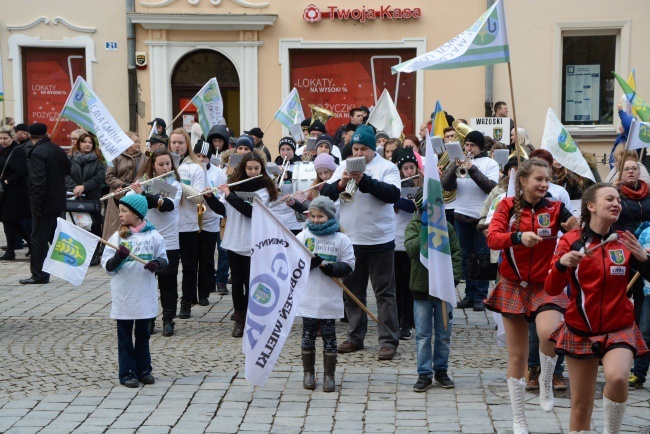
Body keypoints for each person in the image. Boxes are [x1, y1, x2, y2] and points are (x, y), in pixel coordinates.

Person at [545, 183, 649, 434]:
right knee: (581, 406)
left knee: (617, 377)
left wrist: (645, 261)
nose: (616, 203)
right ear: (591, 206)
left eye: (618, 200)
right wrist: (562, 264)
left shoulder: (625, 240)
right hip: (580, 327)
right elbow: (550, 288)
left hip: (619, 326)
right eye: (609, 199)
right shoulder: (570, 241)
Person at [486, 158, 578, 433]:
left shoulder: (556, 208)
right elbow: (492, 237)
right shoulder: (506, 206)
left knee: (549, 332)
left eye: (547, 179)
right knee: (517, 356)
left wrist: (576, 230)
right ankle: (519, 419)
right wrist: (517, 237)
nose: (544, 184)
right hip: (513, 285)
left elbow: (575, 235)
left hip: (545, 284)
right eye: (538, 179)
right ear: (523, 181)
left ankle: (546, 382)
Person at [320, 125, 401, 360]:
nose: (357, 153)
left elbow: (391, 195)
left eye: (362, 149)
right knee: (352, 293)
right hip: (350, 240)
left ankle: (388, 341)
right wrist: (340, 184)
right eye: (354, 148)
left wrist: (363, 180)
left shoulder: (387, 167)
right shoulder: (344, 166)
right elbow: (325, 194)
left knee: (385, 294)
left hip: (380, 240)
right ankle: (355, 337)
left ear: (373, 148)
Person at [102, 194, 168, 388]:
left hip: (144, 295)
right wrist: (118, 257)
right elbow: (108, 267)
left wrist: (157, 264)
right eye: (120, 211)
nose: (120, 215)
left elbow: (164, 259)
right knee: (124, 336)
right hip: (124, 295)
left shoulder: (154, 236)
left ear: (137, 214)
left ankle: (144, 369)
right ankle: (127, 372)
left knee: (143, 335)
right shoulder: (117, 237)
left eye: (124, 211)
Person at [296, 196, 355, 392]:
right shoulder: (304, 236)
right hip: (309, 296)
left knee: (330, 337)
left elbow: (349, 264)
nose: (315, 220)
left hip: (329, 297)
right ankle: (308, 373)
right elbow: (292, 260)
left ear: (329, 216)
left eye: (320, 216)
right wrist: (307, 264)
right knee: (308, 334)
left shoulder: (341, 239)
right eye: (312, 216)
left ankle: (329, 375)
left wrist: (334, 269)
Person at [405, 188, 461, 392]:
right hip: (421, 289)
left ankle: (441, 370)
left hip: (443, 290)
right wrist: (425, 230)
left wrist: (452, 278)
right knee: (423, 334)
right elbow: (411, 250)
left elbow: (455, 253)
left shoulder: (447, 227)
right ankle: (424, 373)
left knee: (444, 333)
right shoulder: (413, 225)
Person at [218, 152, 277, 337]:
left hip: (254, 242)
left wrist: (229, 195)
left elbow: (249, 211)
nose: (252, 172)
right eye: (249, 168)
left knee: (251, 282)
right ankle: (240, 319)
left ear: (262, 169)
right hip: (235, 240)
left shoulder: (264, 189)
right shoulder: (234, 186)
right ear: (243, 168)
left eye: (256, 168)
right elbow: (223, 209)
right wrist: (210, 198)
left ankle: (254, 318)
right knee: (236, 283)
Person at [441, 131, 499, 311]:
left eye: (472, 145)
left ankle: (480, 297)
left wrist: (472, 168)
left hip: (482, 217)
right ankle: (469, 295)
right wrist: (453, 166)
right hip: (461, 213)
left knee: (482, 256)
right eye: (466, 145)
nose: (468, 148)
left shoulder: (490, 163)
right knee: (466, 256)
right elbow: (446, 186)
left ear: (480, 147)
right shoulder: (459, 162)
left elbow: (490, 188)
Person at [131, 148, 182, 337]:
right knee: (147, 283)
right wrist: (131, 194)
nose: (165, 167)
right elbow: (133, 206)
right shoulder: (145, 183)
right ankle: (149, 319)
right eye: (161, 164)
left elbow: (166, 206)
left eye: (168, 164)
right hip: (147, 240)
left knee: (168, 283)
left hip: (169, 241)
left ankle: (169, 320)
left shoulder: (175, 184)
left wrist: (144, 194)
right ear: (153, 165)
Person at [20, 123, 70, 285]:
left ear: (29, 135)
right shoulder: (56, 149)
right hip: (58, 201)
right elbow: (67, 171)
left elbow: (37, 181)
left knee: (38, 239)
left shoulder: (38, 152)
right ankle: (69, 267)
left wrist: (35, 205)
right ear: (46, 133)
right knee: (53, 236)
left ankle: (39, 274)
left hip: (44, 203)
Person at [170, 128, 207, 318]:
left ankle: (187, 300)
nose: (177, 146)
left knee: (189, 265)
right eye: (174, 142)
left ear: (187, 145)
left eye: (180, 143)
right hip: (167, 226)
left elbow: (199, 198)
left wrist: (179, 184)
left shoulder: (195, 167)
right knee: (168, 267)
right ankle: (169, 302)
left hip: (187, 224)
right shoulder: (163, 165)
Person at [612, 155, 650, 327]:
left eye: (634, 168)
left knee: (642, 293)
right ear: (620, 172)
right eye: (627, 169)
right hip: (623, 248)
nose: (631, 172)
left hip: (645, 249)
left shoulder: (648, 192)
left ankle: (639, 334)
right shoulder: (615, 194)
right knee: (622, 292)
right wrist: (612, 192)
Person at [391, 147, 421, 340]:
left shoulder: (420, 187)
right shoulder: (394, 187)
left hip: (413, 242)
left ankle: (408, 321)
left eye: (412, 168)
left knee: (411, 286)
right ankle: (399, 318)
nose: (409, 172)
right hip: (394, 242)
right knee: (397, 286)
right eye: (406, 168)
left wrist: (396, 199)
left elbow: (413, 206)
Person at [65, 132, 106, 266]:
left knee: (93, 225)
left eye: (90, 142)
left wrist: (84, 187)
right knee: (76, 224)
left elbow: (99, 178)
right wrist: (75, 188)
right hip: (74, 197)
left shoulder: (98, 161)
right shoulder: (71, 159)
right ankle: (77, 253)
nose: (87, 144)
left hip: (91, 197)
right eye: (85, 142)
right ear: (79, 144)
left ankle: (94, 253)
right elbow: (65, 175)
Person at [194, 139, 226, 302]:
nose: (201, 159)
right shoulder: (191, 170)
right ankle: (192, 292)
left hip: (210, 219)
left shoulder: (218, 172)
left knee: (207, 258)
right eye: (197, 155)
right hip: (192, 219)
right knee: (193, 258)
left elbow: (222, 195)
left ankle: (204, 292)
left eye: (204, 156)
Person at [103, 133, 146, 240]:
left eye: (139, 141)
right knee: (115, 228)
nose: (138, 144)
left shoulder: (145, 158)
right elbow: (109, 177)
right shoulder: (116, 156)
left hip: (135, 197)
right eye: (135, 142)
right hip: (118, 196)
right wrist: (124, 185)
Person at [0, 126, 31, 260]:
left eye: (5, 138)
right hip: (4, 193)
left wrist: (7, 181)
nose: (2, 141)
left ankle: (11, 251)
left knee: (9, 221)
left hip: (15, 193)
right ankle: (32, 244)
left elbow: (21, 172)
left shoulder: (17, 151)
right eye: (0, 138)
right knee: (14, 222)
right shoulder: (2, 150)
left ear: (12, 138)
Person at [630, 224, 650, 390]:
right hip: (649, 292)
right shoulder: (646, 232)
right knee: (644, 333)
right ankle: (638, 373)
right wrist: (643, 257)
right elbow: (637, 262)